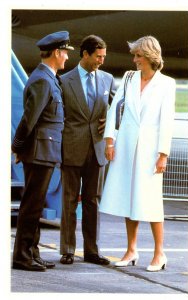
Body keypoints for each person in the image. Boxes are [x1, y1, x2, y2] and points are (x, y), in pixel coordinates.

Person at [99, 36, 176, 271]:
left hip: (151, 151)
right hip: (126, 145)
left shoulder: (167, 84)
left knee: (151, 202)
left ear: (150, 56)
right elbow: (114, 110)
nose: (134, 60)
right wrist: (110, 141)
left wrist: (163, 154)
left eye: (138, 56)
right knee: (128, 197)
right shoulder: (130, 78)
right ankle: (131, 250)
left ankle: (159, 254)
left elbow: (167, 121)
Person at [12, 31, 74, 271]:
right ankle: (21, 256)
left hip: (44, 151)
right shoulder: (42, 79)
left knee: (35, 205)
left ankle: (31, 252)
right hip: (39, 152)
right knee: (31, 206)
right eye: (65, 53)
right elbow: (29, 119)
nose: (67, 58)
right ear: (57, 53)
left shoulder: (48, 78)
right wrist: (18, 146)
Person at [60, 35, 116, 265]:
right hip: (72, 147)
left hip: (97, 149)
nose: (101, 61)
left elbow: (117, 110)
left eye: (104, 57)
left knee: (92, 201)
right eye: (98, 56)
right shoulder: (64, 81)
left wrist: (111, 123)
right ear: (85, 54)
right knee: (69, 200)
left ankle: (92, 251)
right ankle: (68, 250)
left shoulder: (108, 79)